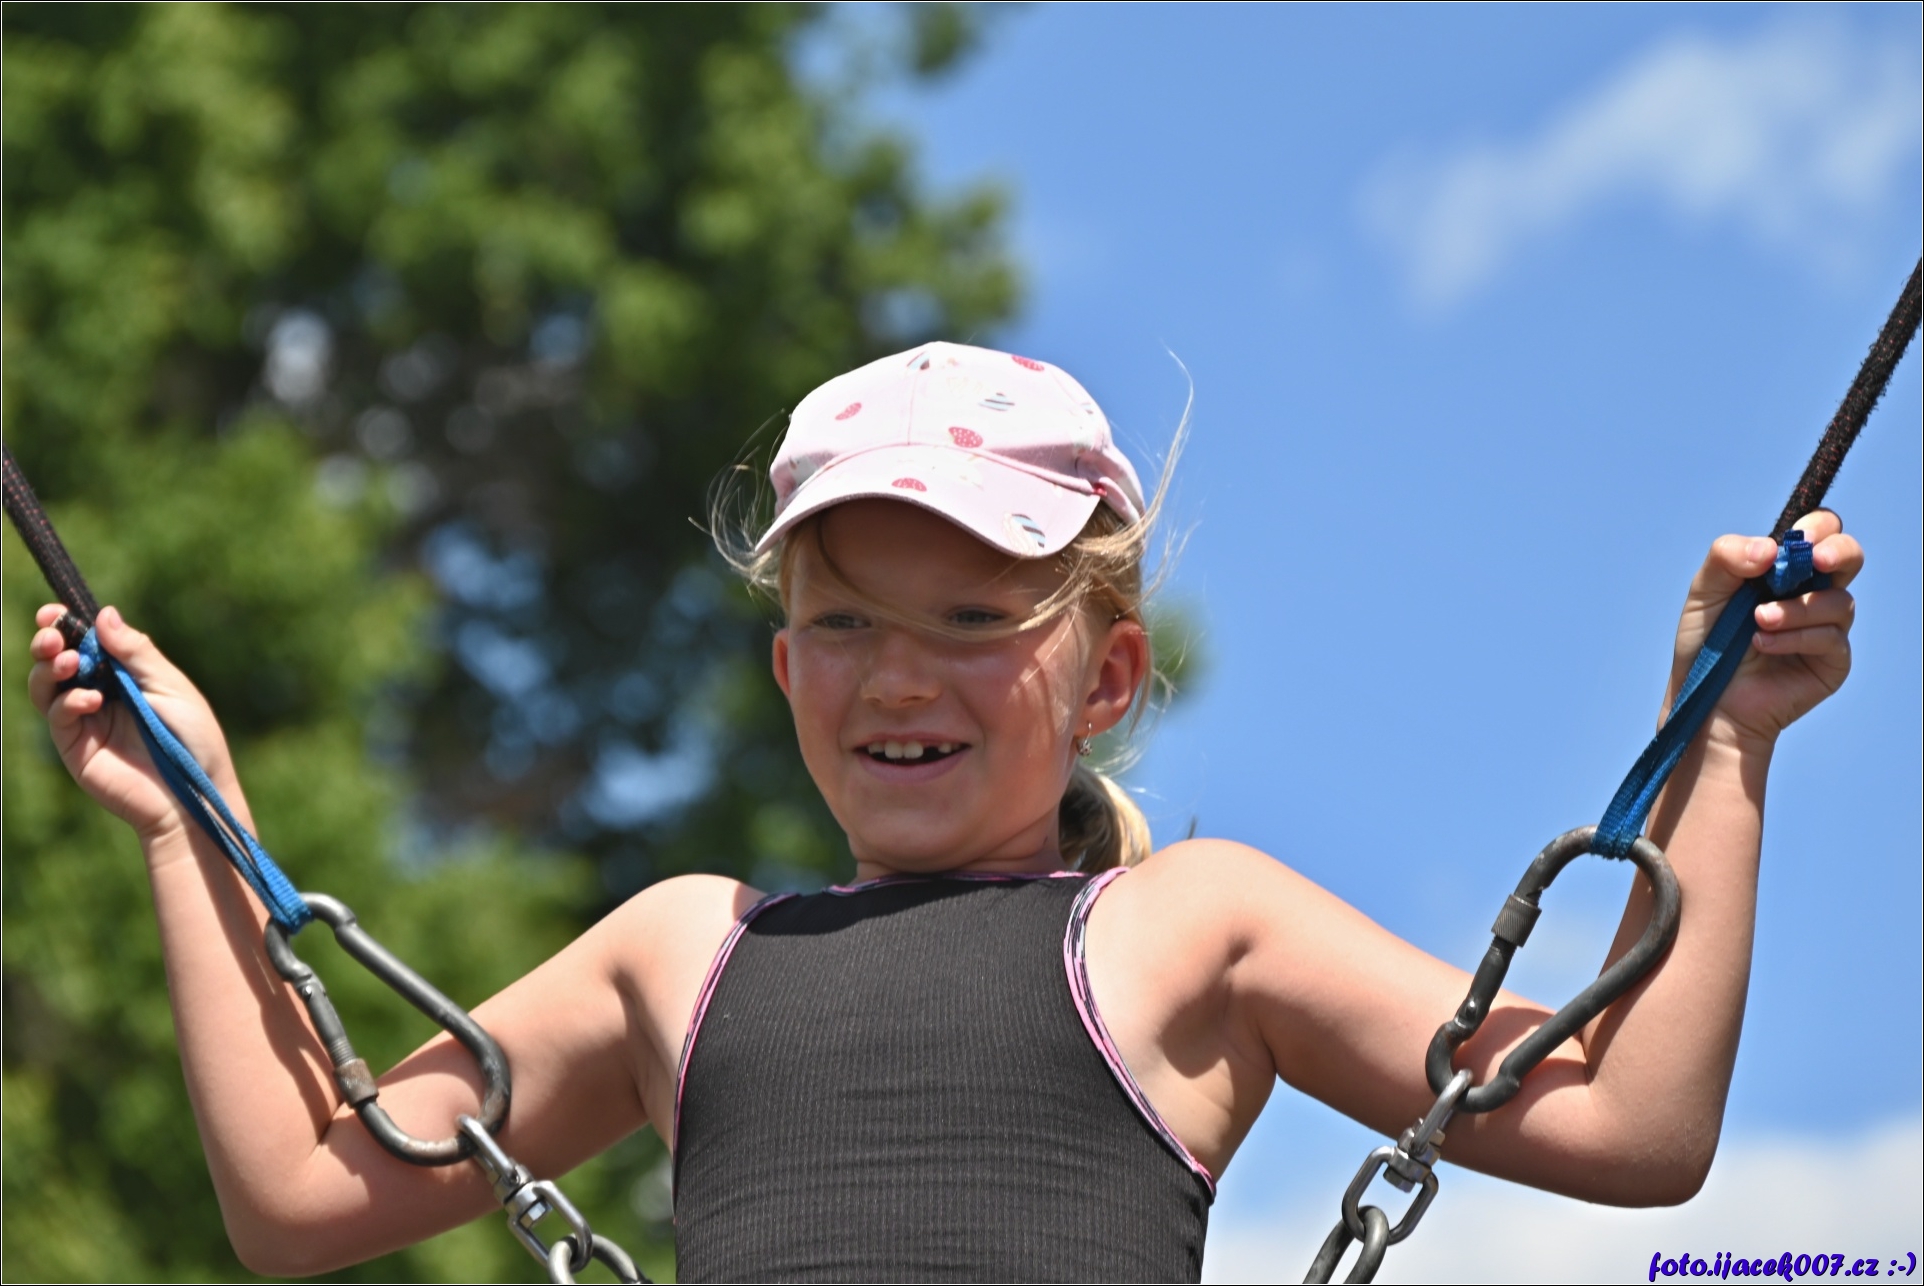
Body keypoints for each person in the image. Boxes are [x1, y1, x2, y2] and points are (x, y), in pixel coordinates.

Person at [26, 342, 1863, 1282]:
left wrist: (1724, 740)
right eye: (844, 625)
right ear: (784, 670)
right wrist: (195, 823)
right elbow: (302, 1191)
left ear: (1109, 675)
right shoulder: (684, 950)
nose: (899, 677)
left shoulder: (1185, 927)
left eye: (976, 621)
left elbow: (1631, 1121)